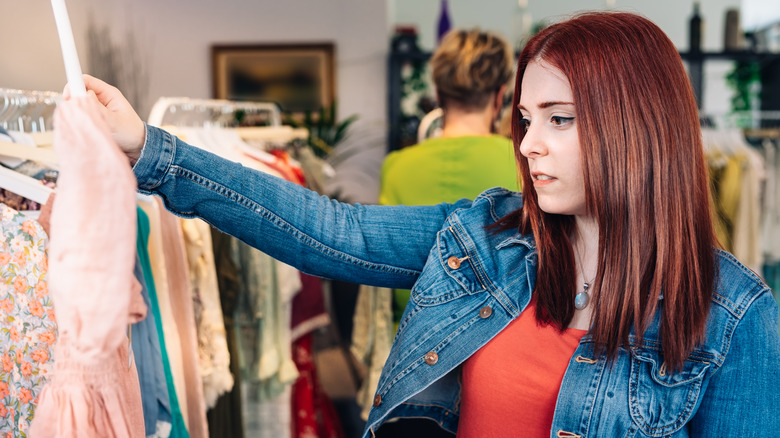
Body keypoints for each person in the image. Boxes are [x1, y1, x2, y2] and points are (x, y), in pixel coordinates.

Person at [75, 10, 779, 438]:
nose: (530, 143)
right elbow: (333, 232)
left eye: (560, 120)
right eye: (527, 120)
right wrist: (151, 150)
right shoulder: (490, 239)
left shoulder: (734, 316)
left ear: (637, 128)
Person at [377, 30, 519, 398]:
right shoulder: (524, 163)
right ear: (500, 96)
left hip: (411, 352)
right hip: (498, 351)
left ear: (438, 95)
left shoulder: (397, 165)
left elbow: (383, 262)